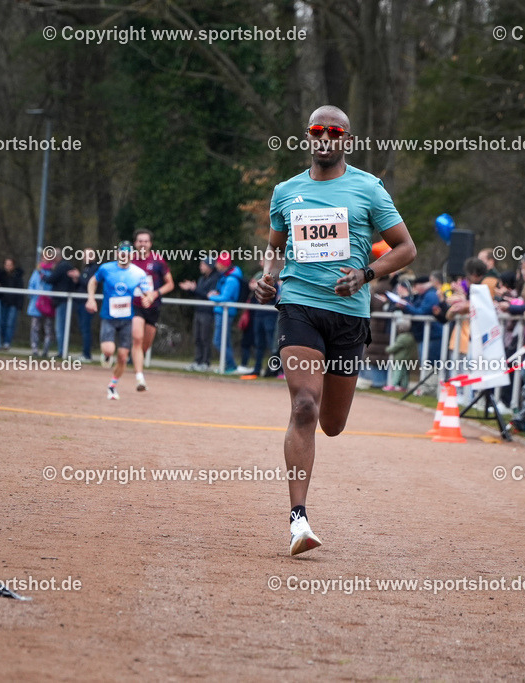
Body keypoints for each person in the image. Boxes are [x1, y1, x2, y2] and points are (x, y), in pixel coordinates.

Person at [256, 105, 416, 555]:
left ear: (347, 139)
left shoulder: (368, 188)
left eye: (334, 132)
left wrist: (366, 274)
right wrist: (266, 278)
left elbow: (406, 248)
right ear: (308, 136)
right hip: (299, 306)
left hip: (349, 315)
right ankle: (298, 520)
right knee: (304, 405)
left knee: (332, 423)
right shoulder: (286, 192)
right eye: (317, 131)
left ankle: (302, 506)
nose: (325, 138)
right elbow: (274, 250)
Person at [85, 241, 154, 397]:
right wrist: (91, 299)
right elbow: (93, 281)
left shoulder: (138, 273)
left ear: (132, 255)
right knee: (109, 349)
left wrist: (148, 299)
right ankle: (106, 355)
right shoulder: (106, 268)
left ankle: (112, 386)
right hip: (108, 317)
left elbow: (148, 292)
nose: (124, 255)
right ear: (117, 254)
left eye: (128, 253)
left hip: (127, 320)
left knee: (123, 357)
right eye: (122, 252)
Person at [130, 229, 174, 358]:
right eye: (140, 241)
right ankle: (131, 359)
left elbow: (170, 284)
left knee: (145, 346)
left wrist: (155, 294)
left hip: (152, 306)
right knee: (137, 337)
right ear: (135, 243)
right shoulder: (130, 260)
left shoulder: (158, 261)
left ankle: (136, 358)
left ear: (150, 243)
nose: (143, 244)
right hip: (134, 305)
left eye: (146, 241)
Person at [179, 257, 220, 371]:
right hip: (198, 311)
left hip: (207, 312)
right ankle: (197, 361)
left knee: (205, 338)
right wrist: (190, 289)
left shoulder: (215, 279)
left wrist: (195, 289)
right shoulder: (202, 278)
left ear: (209, 266)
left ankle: (205, 362)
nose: (200, 267)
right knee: (197, 337)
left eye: (203, 264)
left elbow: (208, 295)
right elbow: (199, 293)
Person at [208, 252, 245, 373]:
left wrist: (211, 296)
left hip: (225, 313)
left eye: (218, 263)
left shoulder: (231, 279)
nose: (216, 265)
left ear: (223, 264)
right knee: (224, 341)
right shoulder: (227, 276)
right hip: (222, 312)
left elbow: (225, 297)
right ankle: (229, 365)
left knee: (218, 341)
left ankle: (230, 365)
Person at [45, 256, 80, 356]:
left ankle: (62, 351)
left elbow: (51, 279)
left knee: (60, 328)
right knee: (62, 327)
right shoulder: (68, 266)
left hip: (62, 301)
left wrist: (43, 276)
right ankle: (62, 350)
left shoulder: (62, 267)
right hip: (63, 301)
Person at [75, 249, 100, 361]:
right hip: (80, 302)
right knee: (83, 328)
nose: (87, 257)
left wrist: (78, 276)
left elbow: (89, 283)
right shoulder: (85, 268)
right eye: (85, 255)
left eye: (90, 254)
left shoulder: (95, 268)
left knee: (86, 329)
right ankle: (84, 353)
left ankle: (87, 354)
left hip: (88, 303)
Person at [27, 259, 55, 357]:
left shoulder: (53, 272)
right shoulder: (36, 272)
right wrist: (35, 296)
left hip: (48, 305)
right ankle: (34, 349)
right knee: (35, 328)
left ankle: (45, 350)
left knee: (48, 328)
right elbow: (31, 286)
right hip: (36, 305)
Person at [383, 317, 417, 391]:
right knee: (405, 374)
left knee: (397, 372)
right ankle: (404, 386)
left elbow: (395, 347)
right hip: (407, 358)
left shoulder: (402, 338)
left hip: (400, 359)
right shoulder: (410, 336)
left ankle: (393, 385)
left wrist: (387, 349)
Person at [0, 257, 24, 350]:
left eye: (10, 265)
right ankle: (2, 341)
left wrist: (20, 304)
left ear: (13, 266)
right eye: (6, 265)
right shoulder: (1, 275)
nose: (8, 267)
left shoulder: (18, 276)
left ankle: (7, 342)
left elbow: (20, 292)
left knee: (10, 324)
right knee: (2, 323)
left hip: (13, 304)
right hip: (3, 303)